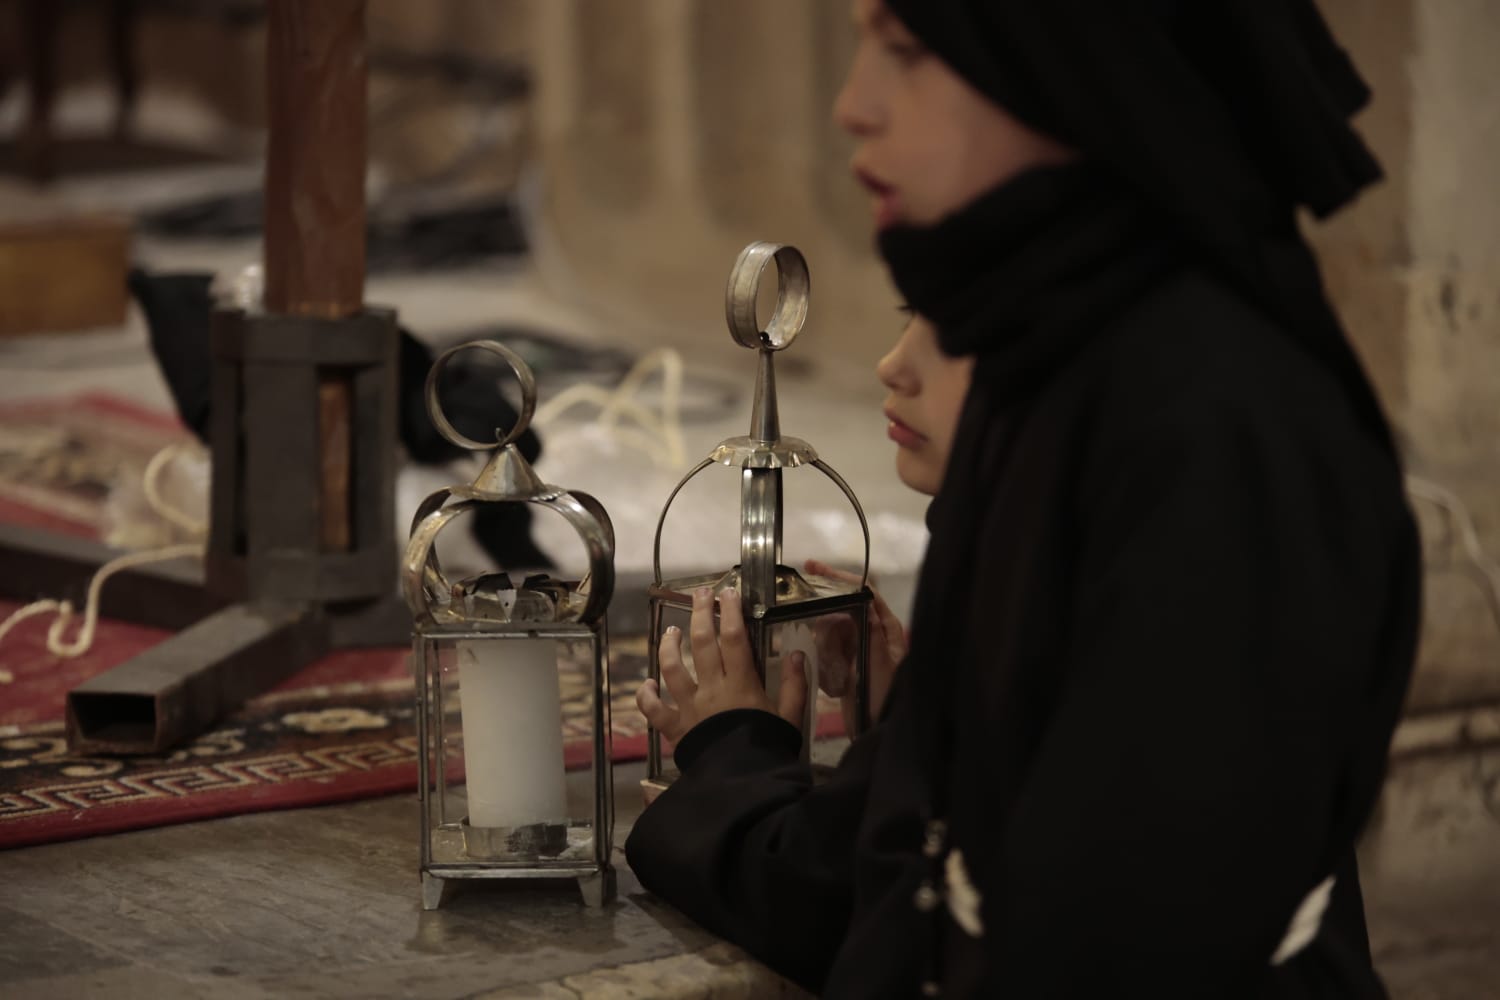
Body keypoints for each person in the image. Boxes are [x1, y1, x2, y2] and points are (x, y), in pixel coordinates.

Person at [625, 1, 1421, 996]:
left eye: (908, 53)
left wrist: (770, 755)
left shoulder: (1207, 437)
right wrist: (924, 725)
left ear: (1063, 70)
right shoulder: (1071, 382)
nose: (853, 105)